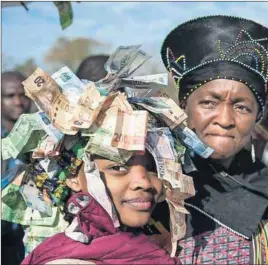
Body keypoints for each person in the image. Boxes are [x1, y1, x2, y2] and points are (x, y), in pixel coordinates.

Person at [152, 15, 268, 264]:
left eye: (241, 107)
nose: (225, 119)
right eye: (208, 103)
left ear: (256, 118)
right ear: (183, 108)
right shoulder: (153, 189)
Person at [2, 65, 184, 265]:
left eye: (152, 168)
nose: (144, 182)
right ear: (72, 176)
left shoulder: (159, 239)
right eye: (118, 167)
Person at [1, 71, 32, 265]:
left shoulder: (44, 137)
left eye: (23, 95)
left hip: (31, 237)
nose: (18, 102)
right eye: (10, 96)